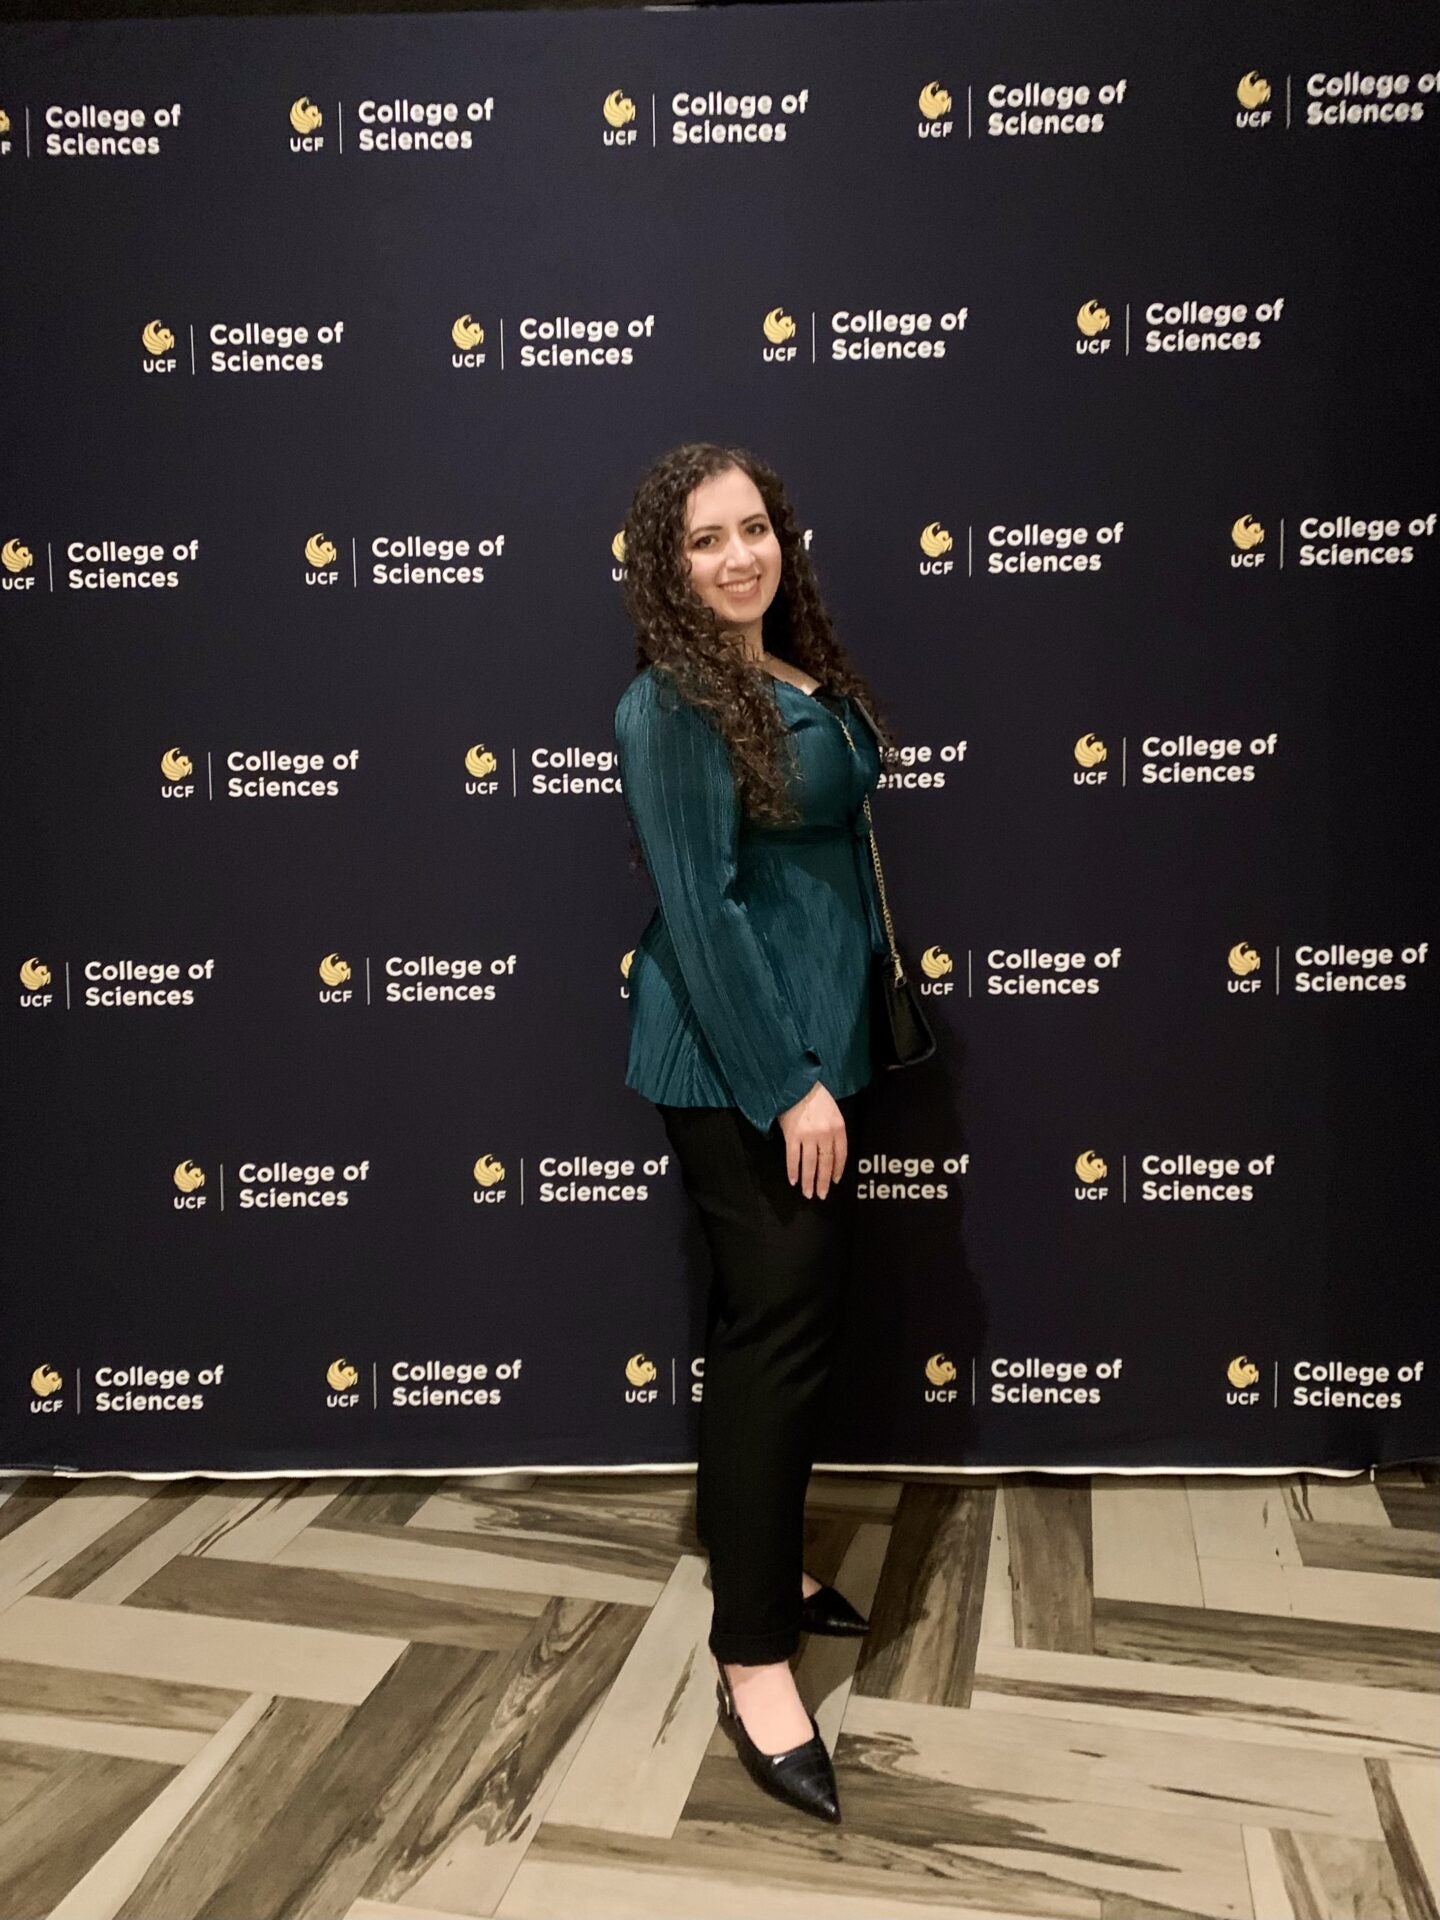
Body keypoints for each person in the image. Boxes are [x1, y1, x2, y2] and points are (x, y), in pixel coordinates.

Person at [613, 441, 900, 1825]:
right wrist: (788, 1082)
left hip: (814, 1052)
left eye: (753, 529)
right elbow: (705, 913)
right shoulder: (667, 704)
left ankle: (759, 1558)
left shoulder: (789, 669)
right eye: (705, 542)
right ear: (668, 570)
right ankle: (754, 1659)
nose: (737, 557)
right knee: (778, 1333)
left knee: (765, 1329)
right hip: (741, 1064)